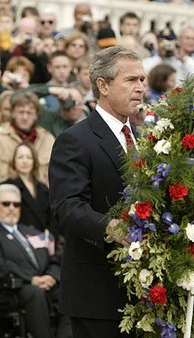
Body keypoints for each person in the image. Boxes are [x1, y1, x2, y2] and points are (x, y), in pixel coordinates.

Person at [48, 46, 145, 338]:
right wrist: (112, 228)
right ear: (102, 85)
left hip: (144, 293)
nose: (140, 88)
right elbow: (67, 206)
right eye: (131, 80)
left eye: (142, 79)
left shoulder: (145, 140)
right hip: (98, 293)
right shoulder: (75, 140)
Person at [0, 183, 60, 338]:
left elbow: (52, 258)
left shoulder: (33, 231)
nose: (12, 208)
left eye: (16, 204)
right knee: (37, 293)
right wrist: (32, 279)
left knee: (67, 293)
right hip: (13, 289)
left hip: (42, 284)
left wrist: (51, 277)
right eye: (6, 203)